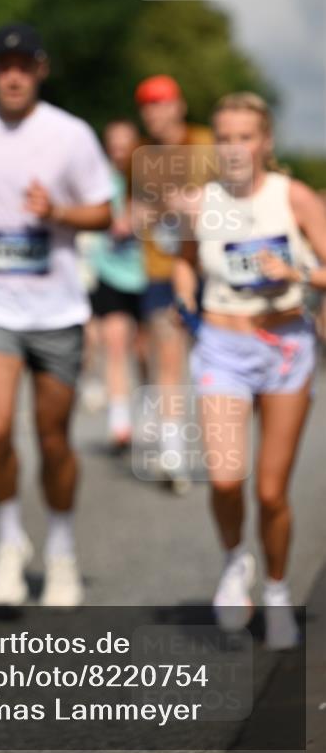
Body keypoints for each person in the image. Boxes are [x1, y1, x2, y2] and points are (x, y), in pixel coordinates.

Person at [0, 23, 113, 608]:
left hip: (57, 308)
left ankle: (60, 549)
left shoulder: (71, 135)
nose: (14, 74)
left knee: (54, 439)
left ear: (41, 70)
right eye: (3, 64)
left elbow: (104, 213)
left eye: (25, 64)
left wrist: (57, 210)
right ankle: (10, 540)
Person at [173, 92, 326, 649]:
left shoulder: (294, 197)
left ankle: (280, 592)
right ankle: (236, 561)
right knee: (225, 477)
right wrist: (186, 305)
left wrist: (296, 272)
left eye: (245, 137)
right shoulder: (201, 202)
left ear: (265, 142)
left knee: (271, 493)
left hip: (285, 348)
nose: (235, 148)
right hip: (222, 348)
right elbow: (186, 265)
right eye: (225, 138)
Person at [133, 74, 213, 492]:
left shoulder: (205, 142)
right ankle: (173, 451)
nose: (155, 112)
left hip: (208, 265)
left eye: (162, 103)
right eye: (147, 105)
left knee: (212, 358)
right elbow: (134, 210)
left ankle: (221, 442)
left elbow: (233, 192)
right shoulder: (140, 156)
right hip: (162, 265)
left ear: (179, 105)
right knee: (167, 352)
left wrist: (199, 203)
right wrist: (145, 211)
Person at [83, 120, 147, 449]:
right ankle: (119, 421)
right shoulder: (100, 181)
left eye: (126, 143)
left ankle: (150, 414)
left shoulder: (151, 176)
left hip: (148, 274)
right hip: (109, 271)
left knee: (145, 350)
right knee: (115, 342)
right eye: (114, 144)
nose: (120, 151)